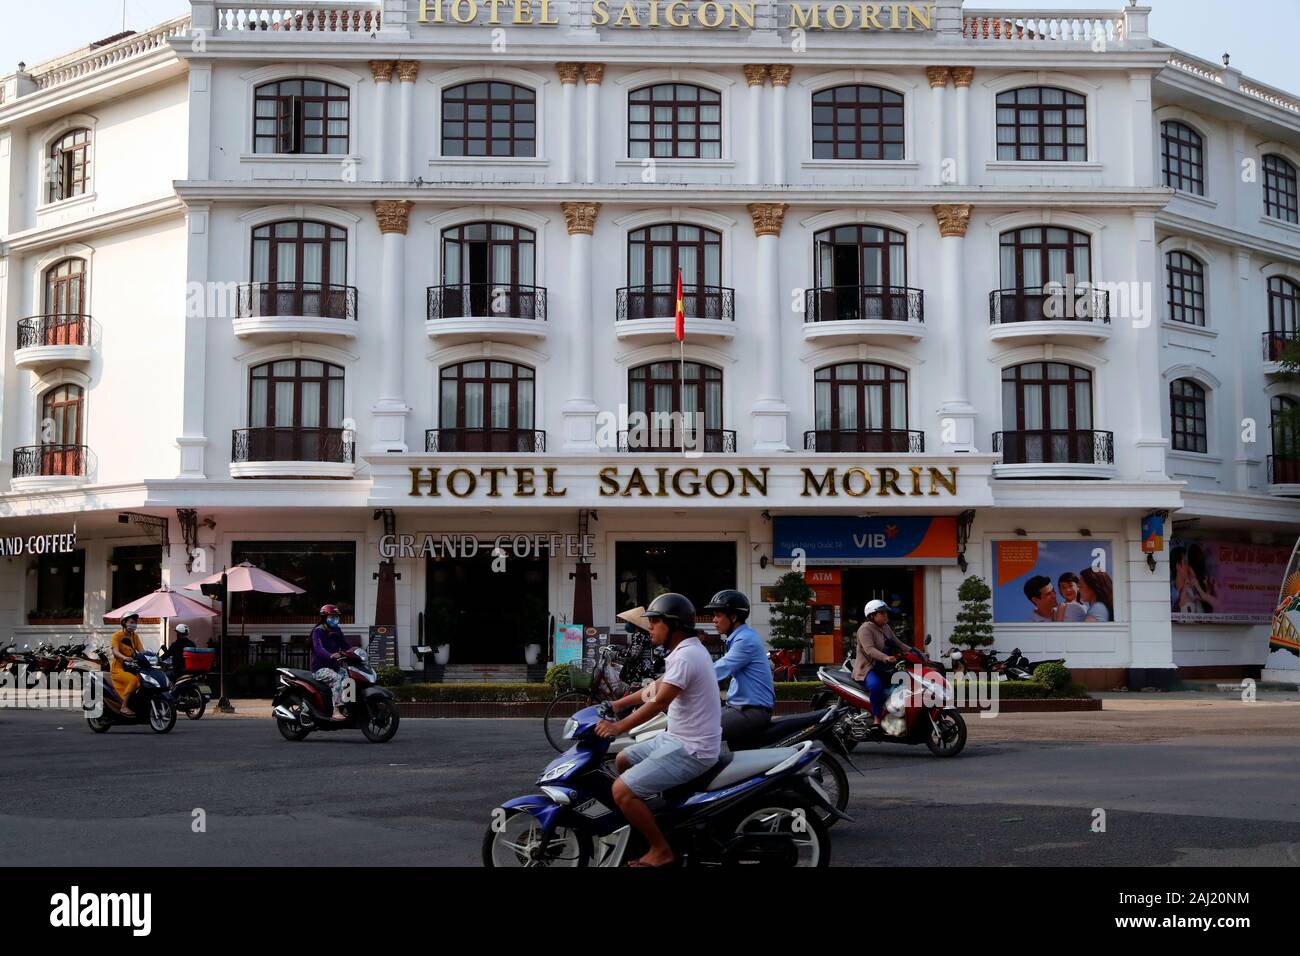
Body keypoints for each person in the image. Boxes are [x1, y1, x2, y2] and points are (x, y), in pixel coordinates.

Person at [595, 593, 721, 868]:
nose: (650, 628)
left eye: (655, 623)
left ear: (673, 625)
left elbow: (660, 701)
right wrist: (616, 704)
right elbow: (653, 689)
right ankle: (648, 817)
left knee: (621, 791)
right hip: (676, 738)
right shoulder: (685, 651)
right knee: (622, 759)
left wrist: (618, 727)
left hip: (692, 749)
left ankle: (661, 849)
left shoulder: (686, 656)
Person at [702, 589, 775, 745]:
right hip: (739, 708)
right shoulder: (740, 638)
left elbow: (718, 670)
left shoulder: (745, 640)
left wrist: (684, 680)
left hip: (751, 711)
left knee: (698, 730)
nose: (714, 620)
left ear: (733, 617)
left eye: (718, 615)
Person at [850, 599, 900, 731]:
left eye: (886, 613)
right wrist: (885, 657)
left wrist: (917, 653)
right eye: (882, 613)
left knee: (903, 683)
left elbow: (898, 643)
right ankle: (877, 718)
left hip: (884, 667)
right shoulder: (864, 629)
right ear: (872, 615)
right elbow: (869, 650)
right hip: (868, 668)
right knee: (876, 686)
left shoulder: (886, 627)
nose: (885, 616)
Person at [310, 604, 351, 721]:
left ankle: (348, 707)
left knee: (349, 679)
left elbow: (345, 645)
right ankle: (336, 711)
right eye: (332, 616)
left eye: (336, 616)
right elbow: (319, 649)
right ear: (324, 617)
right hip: (319, 669)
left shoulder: (337, 630)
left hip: (334, 666)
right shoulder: (318, 631)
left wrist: (356, 652)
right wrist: (331, 655)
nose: (335, 619)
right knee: (337, 679)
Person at [110, 612, 145, 717]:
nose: (134, 624)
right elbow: (115, 651)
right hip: (118, 669)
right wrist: (125, 657)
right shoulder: (117, 636)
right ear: (124, 623)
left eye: (135, 622)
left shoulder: (135, 636)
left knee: (145, 680)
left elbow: (142, 651)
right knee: (133, 680)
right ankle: (124, 706)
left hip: (132, 667)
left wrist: (152, 657)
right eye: (131, 622)